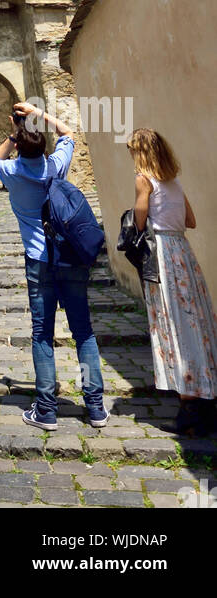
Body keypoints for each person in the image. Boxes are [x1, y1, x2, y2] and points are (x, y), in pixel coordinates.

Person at [0, 102, 108, 431]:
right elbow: (68, 133)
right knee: (83, 332)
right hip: (70, 258)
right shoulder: (56, 165)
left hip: (38, 262)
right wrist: (37, 115)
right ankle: (95, 406)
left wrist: (15, 134)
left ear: (19, 144)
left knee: (42, 335)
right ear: (42, 144)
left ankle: (46, 409)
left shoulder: (12, 173)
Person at [128, 127, 217, 437]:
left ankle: (189, 408)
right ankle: (204, 399)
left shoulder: (144, 180)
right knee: (195, 322)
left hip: (163, 255)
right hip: (184, 254)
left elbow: (139, 220)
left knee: (173, 324)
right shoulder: (174, 183)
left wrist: (142, 223)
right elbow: (190, 221)